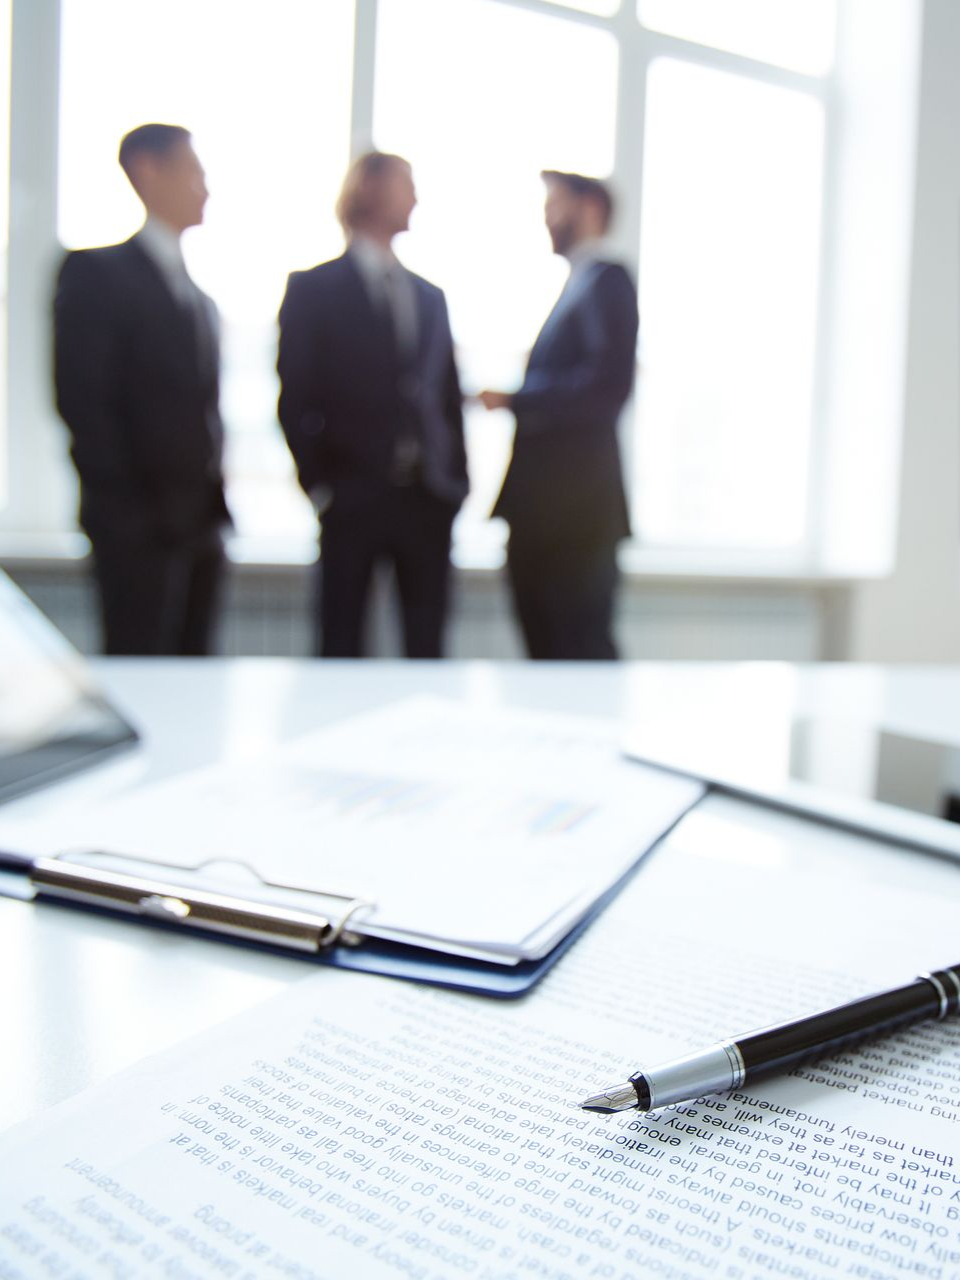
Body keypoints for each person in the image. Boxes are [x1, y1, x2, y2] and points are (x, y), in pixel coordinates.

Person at [277, 151, 468, 658]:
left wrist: (456, 483)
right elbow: (294, 397)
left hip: (426, 499)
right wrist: (320, 485)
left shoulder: (429, 297)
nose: (416, 198)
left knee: (427, 645)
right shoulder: (313, 289)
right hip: (351, 495)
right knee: (341, 641)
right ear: (369, 190)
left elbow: (447, 397)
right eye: (407, 185)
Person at [54, 123, 230, 656]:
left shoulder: (197, 296)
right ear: (147, 170)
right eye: (193, 172)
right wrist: (126, 512)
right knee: (139, 660)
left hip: (201, 525)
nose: (204, 187)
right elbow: (83, 402)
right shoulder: (96, 273)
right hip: (136, 525)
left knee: (193, 670)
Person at [479, 170, 638, 660]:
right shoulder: (578, 284)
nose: (546, 217)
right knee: (547, 648)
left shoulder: (607, 281)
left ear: (589, 208)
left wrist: (518, 400)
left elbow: (606, 387)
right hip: (548, 510)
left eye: (555, 205)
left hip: (575, 513)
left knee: (579, 649)